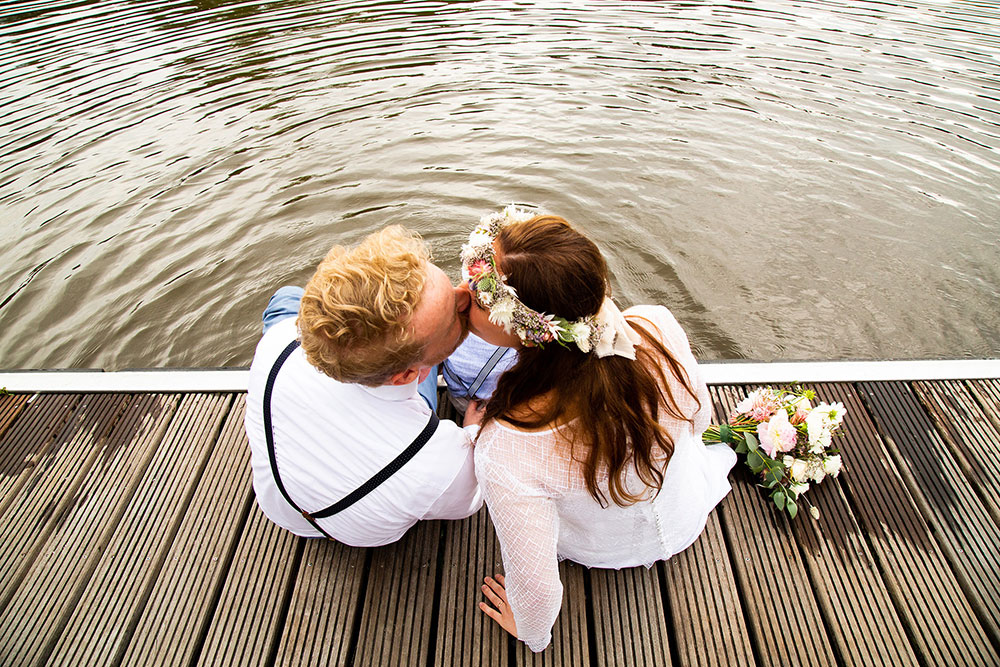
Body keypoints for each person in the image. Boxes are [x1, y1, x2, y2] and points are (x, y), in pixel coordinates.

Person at [463, 207, 737, 652]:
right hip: (686, 510)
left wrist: (532, 632)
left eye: (478, 296)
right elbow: (700, 419)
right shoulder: (656, 325)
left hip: (601, 551)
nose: (463, 291)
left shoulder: (507, 448)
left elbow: (537, 585)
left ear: (527, 329)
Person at [244, 225, 484, 546]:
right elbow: (470, 502)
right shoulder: (437, 460)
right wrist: (473, 432)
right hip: (352, 529)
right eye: (453, 314)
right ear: (404, 376)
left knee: (287, 297)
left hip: (283, 509)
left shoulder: (278, 342)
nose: (466, 294)